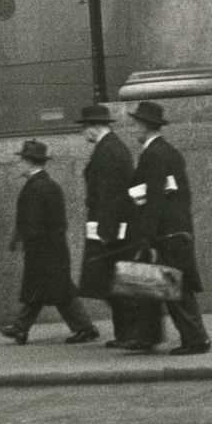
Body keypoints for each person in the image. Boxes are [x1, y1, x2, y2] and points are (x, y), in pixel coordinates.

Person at [120, 101, 210, 356]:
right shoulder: (167, 151)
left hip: (166, 232)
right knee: (162, 286)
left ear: (147, 126)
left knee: (175, 287)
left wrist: (146, 236)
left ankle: (196, 340)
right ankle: (150, 336)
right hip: (175, 229)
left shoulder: (154, 154)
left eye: (136, 125)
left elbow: (155, 198)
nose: (133, 129)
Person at [0, 140, 97, 345]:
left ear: (29, 162)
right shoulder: (44, 185)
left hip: (44, 249)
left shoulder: (38, 187)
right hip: (50, 249)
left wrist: (23, 239)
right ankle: (21, 328)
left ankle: (84, 328)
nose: (18, 165)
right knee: (48, 290)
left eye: (21, 161)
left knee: (53, 290)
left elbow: (32, 221)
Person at [75, 104, 138, 347]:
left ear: (94, 128)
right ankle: (125, 333)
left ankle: (129, 333)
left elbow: (111, 195)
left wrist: (105, 231)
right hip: (111, 226)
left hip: (110, 229)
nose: (83, 134)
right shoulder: (110, 147)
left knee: (112, 282)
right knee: (111, 282)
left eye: (84, 128)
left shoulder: (109, 150)